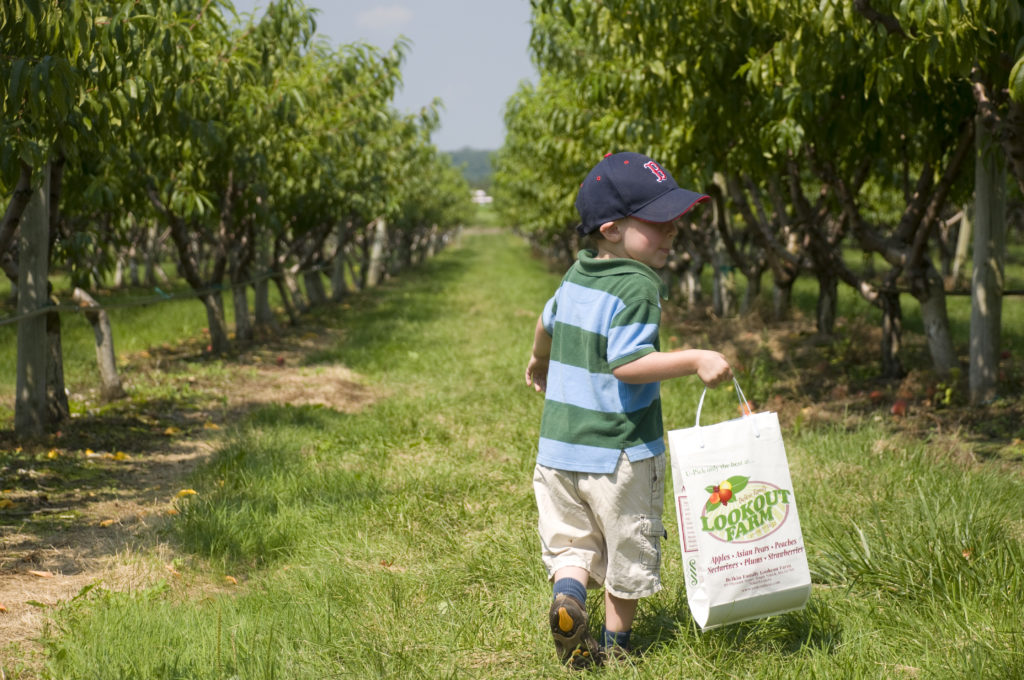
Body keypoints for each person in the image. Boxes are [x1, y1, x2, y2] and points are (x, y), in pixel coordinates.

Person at [524, 151, 733, 668]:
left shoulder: (577, 273)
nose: (672, 233)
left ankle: (569, 597)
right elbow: (629, 363)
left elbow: (545, 322)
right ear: (613, 228)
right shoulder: (638, 285)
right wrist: (696, 358)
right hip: (620, 454)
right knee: (628, 552)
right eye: (659, 223)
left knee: (571, 544)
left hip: (557, 451)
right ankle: (617, 654)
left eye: (676, 221)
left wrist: (538, 359)